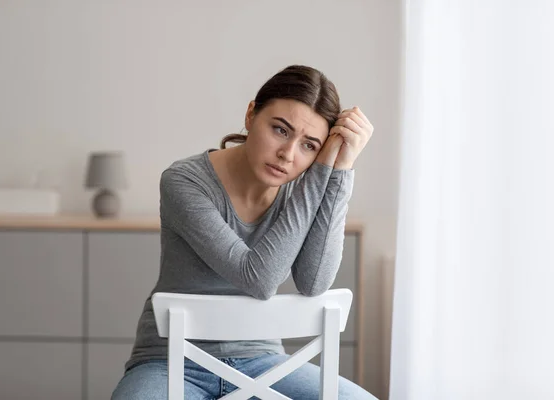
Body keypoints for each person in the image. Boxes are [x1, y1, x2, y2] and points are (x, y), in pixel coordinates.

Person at [111, 65, 376, 399]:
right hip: (169, 361)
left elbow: (314, 282)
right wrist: (318, 172)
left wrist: (340, 169)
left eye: (309, 146)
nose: (288, 155)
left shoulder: (300, 191)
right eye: (280, 130)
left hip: (262, 361)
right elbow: (259, 279)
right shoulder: (183, 181)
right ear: (251, 114)